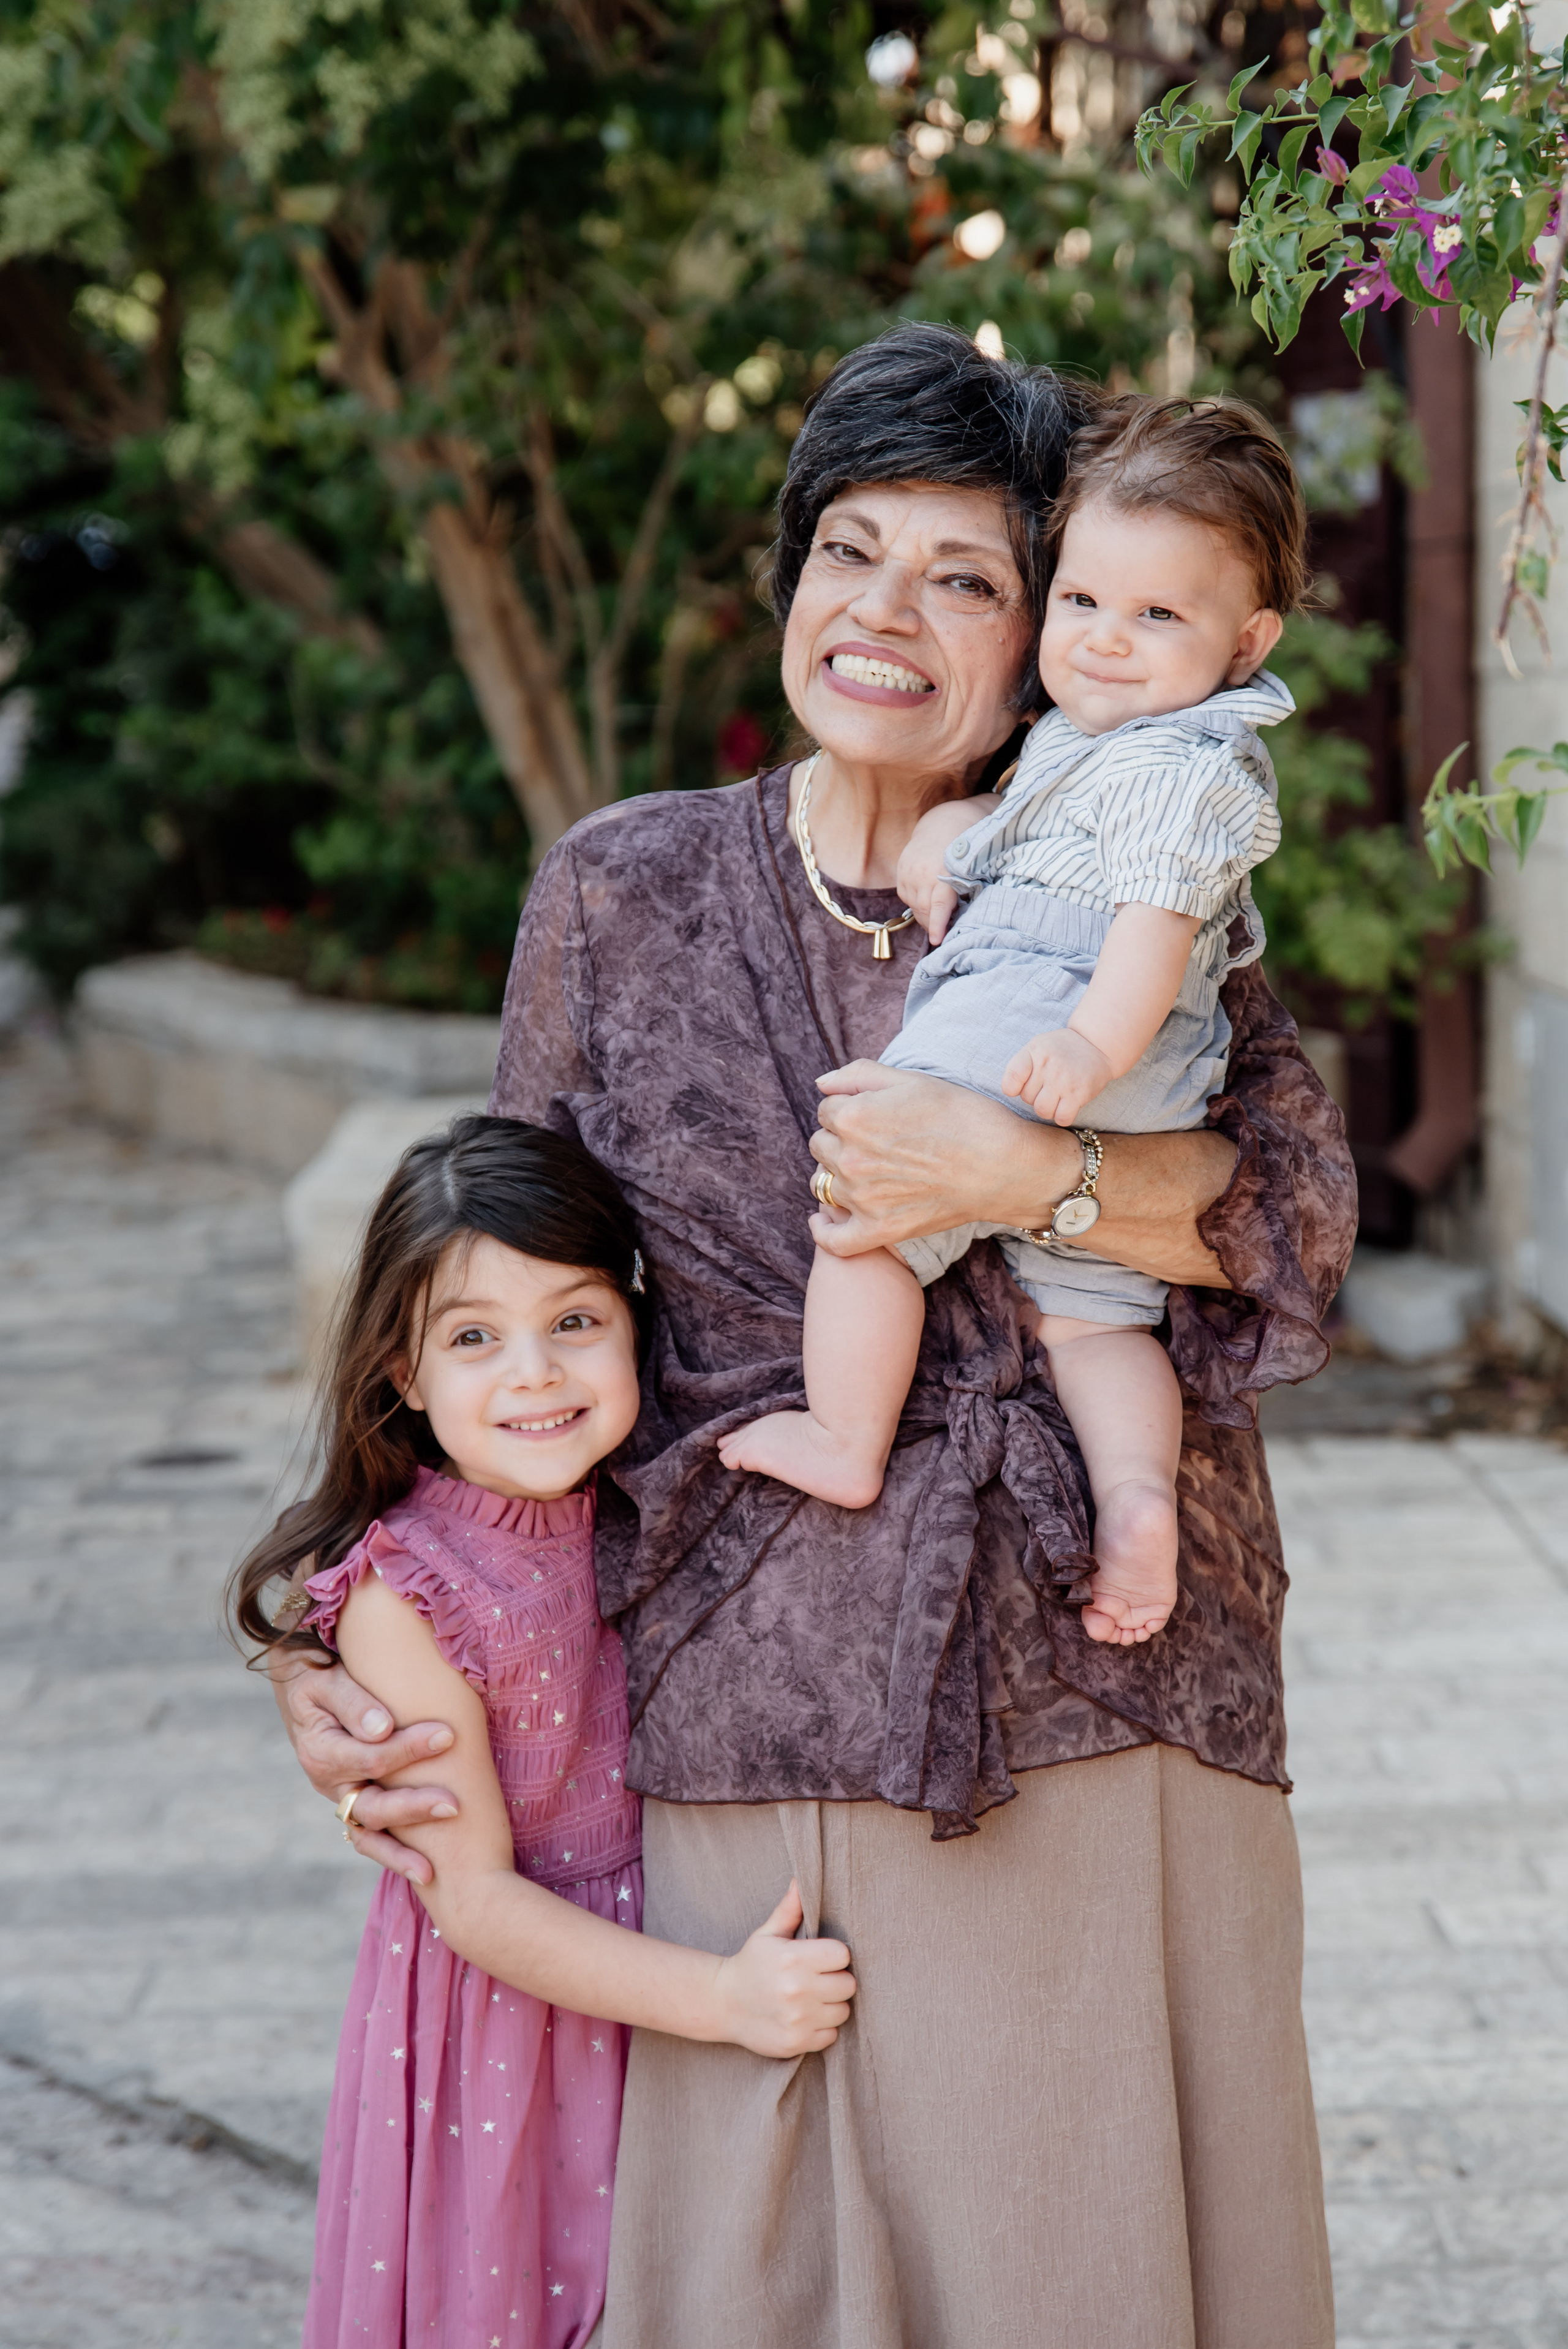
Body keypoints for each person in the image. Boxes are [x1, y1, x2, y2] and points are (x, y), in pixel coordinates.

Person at [268, 323, 1353, 2348]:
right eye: (848, 551)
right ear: (783, 582)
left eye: (966, 577)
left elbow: (1290, 1223)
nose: (886, 613)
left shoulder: (1131, 872)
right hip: (737, 1701)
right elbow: (496, 1311)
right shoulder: (623, 891)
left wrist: (1016, 1177)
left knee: (1072, 2246)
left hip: (1095, 1682)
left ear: (1054, 635)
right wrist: (350, 1632)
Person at [230, 1116, 854, 2349]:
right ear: (401, 1373)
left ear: (632, 1325)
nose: (534, 1373)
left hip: (658, 1963)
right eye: (474, 1338)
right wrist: (723, 2000)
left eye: (574, 1321)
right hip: (520, 2023)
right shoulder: (409, 1594)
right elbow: (475, 1901)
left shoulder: (644, 1499)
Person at [720, 396, 1304, 1656]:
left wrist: (1079, 1066)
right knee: (1097, 1317)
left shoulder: (1171, 764)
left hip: (1047, 1023)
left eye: (1157, 616)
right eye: (1085, 603)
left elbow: (1148, 925)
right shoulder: (1104, 741)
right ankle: (1135, 1497)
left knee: (869, 1207)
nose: (1104, 641)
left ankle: (842, 1435)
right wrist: (953, 839)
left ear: (1246, 641)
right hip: (1139, 1070)